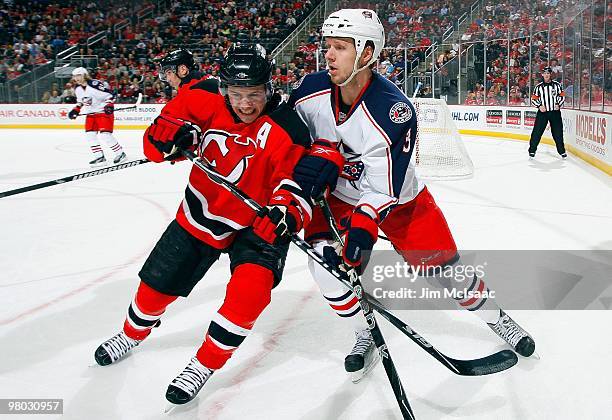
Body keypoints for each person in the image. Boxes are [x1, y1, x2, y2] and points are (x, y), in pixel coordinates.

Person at [289, 9, 536, 383]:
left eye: (341, 47)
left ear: (367, 53)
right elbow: (283, 137)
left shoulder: (393, 110)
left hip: (399, 201)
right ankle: (364, 334)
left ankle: (496, 317)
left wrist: (360, 236)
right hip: (338, 198)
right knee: (323, 266)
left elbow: (383, 188)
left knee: (447, 274)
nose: (329, 55)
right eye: (327, 47)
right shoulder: (310, 91)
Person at [93, 44, 312, 406]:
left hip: (258, 223)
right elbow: (154, 145)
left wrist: (286, 210)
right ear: (224, 88)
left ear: (269, 88)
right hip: (202, 210)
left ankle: (203, 364)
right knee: (156, 286)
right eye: (237, 94)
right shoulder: (201, 97)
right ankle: (132, 333)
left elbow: (297, 184)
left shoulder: (289, 127)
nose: (245, 104)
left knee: (250, 295)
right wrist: (169, 140)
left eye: (254, 94)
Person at [68, 67, 127, 165]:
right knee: (90, 135)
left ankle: (120, 153)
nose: (76, 78)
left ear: (84, 75)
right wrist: (76, 109)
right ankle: (99, 157)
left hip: (103, 112)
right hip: (91, 115)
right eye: (74, 76)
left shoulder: (94, 84)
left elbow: (111, 95)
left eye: (79, 75)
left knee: (105, 135)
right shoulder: (77, 88)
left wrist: (109, 105)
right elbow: (81, 101)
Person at [528, 66, 566, 159]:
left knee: (558, 132)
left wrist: (558, 104)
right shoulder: (538, 87)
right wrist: (539, 106)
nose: (546, 75)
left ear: (550, 74)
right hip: (543, 113)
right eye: (545, 73)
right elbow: (533, 99)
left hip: (555, 112)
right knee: (537, 132)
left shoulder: (557, 85)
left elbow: (562, 96)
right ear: (542, 74)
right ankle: (532, 150)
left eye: (548, 73)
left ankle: (562, 151)